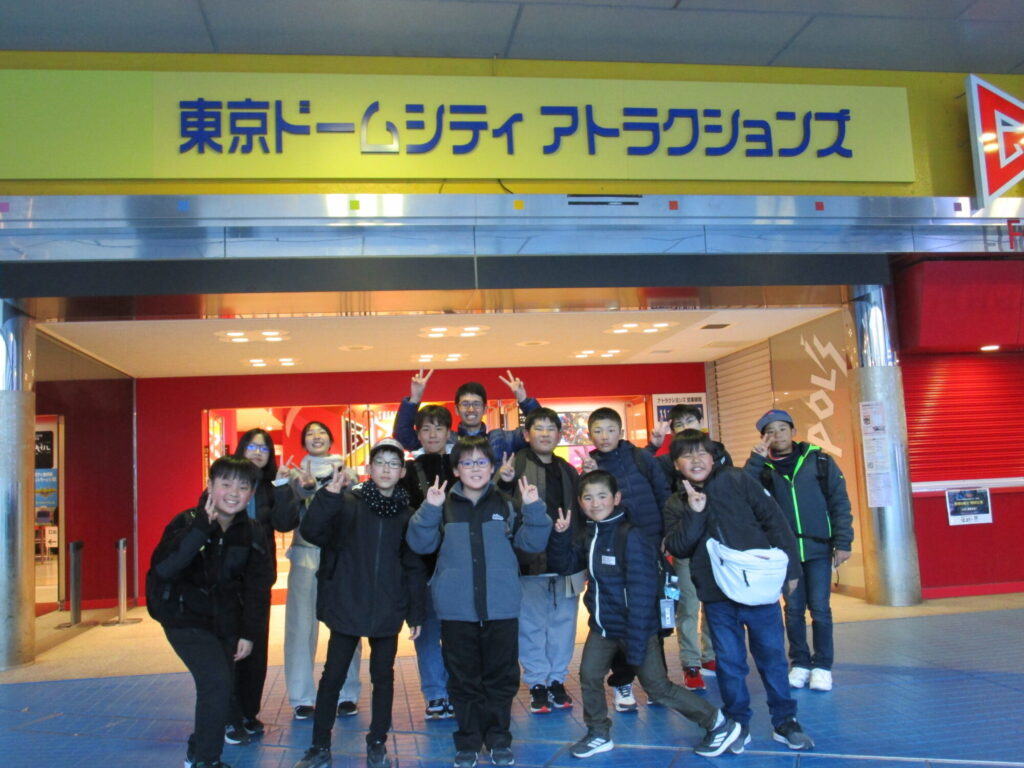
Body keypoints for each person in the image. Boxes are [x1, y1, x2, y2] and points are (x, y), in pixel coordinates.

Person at [546, 470, 740, 759]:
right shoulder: (591, 533)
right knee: (589, 676)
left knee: (657, 688)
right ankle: (598, 733)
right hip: (604, 627)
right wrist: (560, 536)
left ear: (616, 498)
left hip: (636, 627)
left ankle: (718, 723)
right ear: (580, 501)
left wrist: (635, 645)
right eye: (588, 498)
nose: (595, 503)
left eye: (602, 496)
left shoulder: (631, 536)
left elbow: (642, 593)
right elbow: (564, 565)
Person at [407, 435, 552, 768]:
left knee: (501, 678)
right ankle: (469, 741)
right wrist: (429, 508)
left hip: (501, 607)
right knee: (463, 680)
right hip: (457, 611)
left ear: (492, 468)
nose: (475, 468)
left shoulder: (506, 504)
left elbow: (532, 545)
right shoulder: (442, 505)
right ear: (456, 470)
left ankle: (499, 739)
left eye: (482, 462)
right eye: (467, 463)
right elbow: (420, 544)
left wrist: (534, 507)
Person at [663, 430, 813, 753]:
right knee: (730, 663)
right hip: (718, 597)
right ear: (676, 464)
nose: (696, 460)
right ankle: (737, 724)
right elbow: (678, 546)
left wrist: (791, 571)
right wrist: (695, 513)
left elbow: (774, 520)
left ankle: (785, 721)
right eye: (687, 455)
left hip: (758, 589)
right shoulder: (676, 503)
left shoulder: (735, 479)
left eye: (702, 453)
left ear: (712, 457)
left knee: (772, 659)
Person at [290, 439, 427, 768]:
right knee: (332, 677)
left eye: (393, 464)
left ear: (402, 472)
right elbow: (312, 531)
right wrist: (327, 496)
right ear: (369, 468)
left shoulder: (407, 514)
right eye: (380, 462)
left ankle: (377, 742)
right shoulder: (348, 502)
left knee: (384, 678)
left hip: (387, 607)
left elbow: (412, 566)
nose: (386, 469)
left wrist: (415, 612)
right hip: (348, 602)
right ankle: (319, 746)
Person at [147, 456, 274, 768]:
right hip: (184, 618)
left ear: (251, 493)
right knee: (216, 682)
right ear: (210, 486)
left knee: (221, 687)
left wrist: (249, 633)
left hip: (226, 621)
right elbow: (165, 569)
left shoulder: (252, 531)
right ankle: (207, 760)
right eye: (226, 484)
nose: (234, 493)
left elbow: (257, 588)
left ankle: (197, 749)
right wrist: (201, 529)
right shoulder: (186, 522)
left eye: (243, 486)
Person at [743, 409, 853, 693]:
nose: (777, 434)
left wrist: (843, 542)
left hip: (818, 548)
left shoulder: (819, 461)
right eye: (770, 431)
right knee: (792, 610)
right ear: (764, 438)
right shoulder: (762, 468)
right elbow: (744, 494)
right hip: (784, 553)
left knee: (820, 609)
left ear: (793, 431)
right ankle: (800, 663)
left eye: (782, 428)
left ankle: (823, 666)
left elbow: (839, 502)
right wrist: (756, 460)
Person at [582, 407, 671, 712]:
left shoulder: (642, 458)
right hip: (616, 551)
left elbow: (663, 494)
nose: (604, 436)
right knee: (618, 616)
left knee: (651, 616)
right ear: (589, 435)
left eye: (610, 430)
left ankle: (658, 682)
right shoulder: (592, 466)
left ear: (620, 432)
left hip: (650, 547)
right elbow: (590, 509)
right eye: (598, 431)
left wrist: (666, 533)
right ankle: (623, 682)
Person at [496, 407, 583, 714]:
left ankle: (557, 679)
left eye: (551, 428)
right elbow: (499, 507)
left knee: (564, 624)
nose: (545, 434)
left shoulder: (569, 470)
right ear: (526, 434)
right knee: (531, 625)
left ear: (560, 435)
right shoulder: (515, 464)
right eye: (539, 428)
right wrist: (504, 482)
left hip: (568, 562)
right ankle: (536, 683)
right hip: (528, 561)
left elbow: (580, 515)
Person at [274, 420, 362, 720]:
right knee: (300, 628)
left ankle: (348, 694)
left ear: (330, 439)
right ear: (303, 442)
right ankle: (301, 697)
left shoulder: (348, 472)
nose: (316, 437)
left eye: (321, 432)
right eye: (310, 434)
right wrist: (299, 487)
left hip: (342, 557)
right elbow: (286, 516)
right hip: (306, 555)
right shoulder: (295, 475)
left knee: (347, 625)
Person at [645, 403, 729, 691]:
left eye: (689, 421)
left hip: (716, 543)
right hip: (684, 541)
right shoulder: (665, 461)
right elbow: (645, 476)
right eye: (678, 424)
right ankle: (691, 663)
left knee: (715, 602)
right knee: (689, 605)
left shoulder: (717, 453)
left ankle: (710, 655)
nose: (685, 427)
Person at [226, 428, 297, 740]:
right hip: (226, 581)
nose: (257, 453)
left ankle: (249, 713)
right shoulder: (226, 484)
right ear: (241, 449)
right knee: (229, 648)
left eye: (264, 448)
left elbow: (284, 523)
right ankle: (229, 716)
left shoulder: (270, 487)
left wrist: (282, 486)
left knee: (256, 650)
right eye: (252, 447)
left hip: (258, 580)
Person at [397, 403, 457, 720]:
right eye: (426, 429)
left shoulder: (461, 465)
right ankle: (435, 694)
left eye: (439, 428)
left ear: (449, 433)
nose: (433, 434)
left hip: (458, 563)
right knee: (428, 632)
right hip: (422, 564)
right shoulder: (408, 471)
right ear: (417, 435)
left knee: (458, 633)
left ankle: (456, 691)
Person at [392, 369, 542, 458]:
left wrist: (524, 400)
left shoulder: (502, 439)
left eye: (476, 404)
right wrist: (415, 399)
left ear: (485, 409)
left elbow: (539, 432)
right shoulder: (445, 439)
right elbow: (403, 436)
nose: (471, 409)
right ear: (457, 410)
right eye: (465, 404)